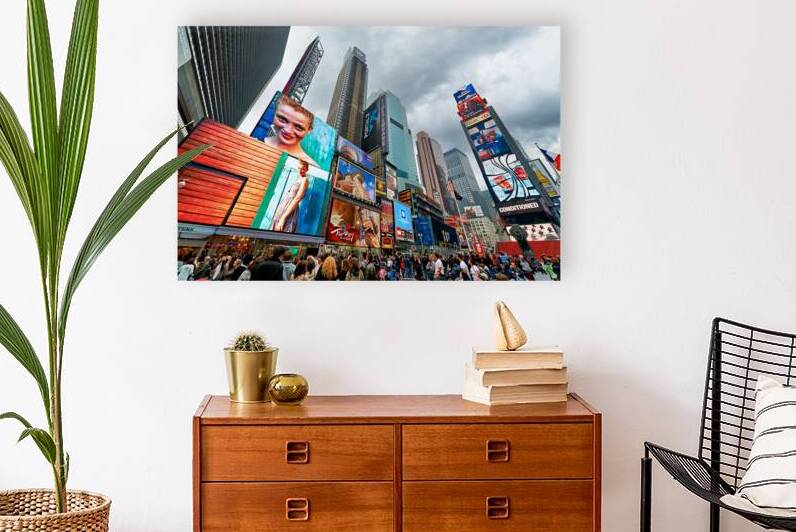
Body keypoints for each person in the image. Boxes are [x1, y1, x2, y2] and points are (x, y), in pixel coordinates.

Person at [263, 95, 320, 167]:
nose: (287, 130)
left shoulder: (312, 166)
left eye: (298, 127)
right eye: (282, 120)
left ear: (309, 131)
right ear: (274, 114)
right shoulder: (255, 141)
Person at [271, 160, 310, 233]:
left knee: (282, 229)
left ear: (307, 169)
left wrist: (283, 218)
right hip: (283, 206)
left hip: (290, 208)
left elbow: (297, 199)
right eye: (299, 168)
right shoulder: (297, 178)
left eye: (303, 169)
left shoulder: (305, 180)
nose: (300, 170)